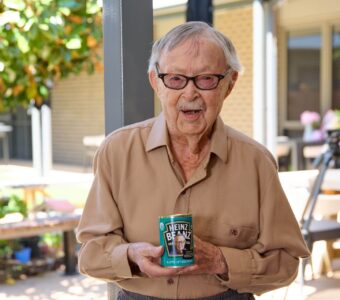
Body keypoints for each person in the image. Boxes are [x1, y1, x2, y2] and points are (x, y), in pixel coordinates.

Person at [77, 21, 310, 299]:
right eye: (175, 79)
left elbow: (286, 264)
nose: (190, 94)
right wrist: (130, 256)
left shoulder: (256, 162)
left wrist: (220, 261)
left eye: (206, 79)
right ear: (156, 82)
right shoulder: (117, 151)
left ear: (229, 83)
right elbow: (90, 255)